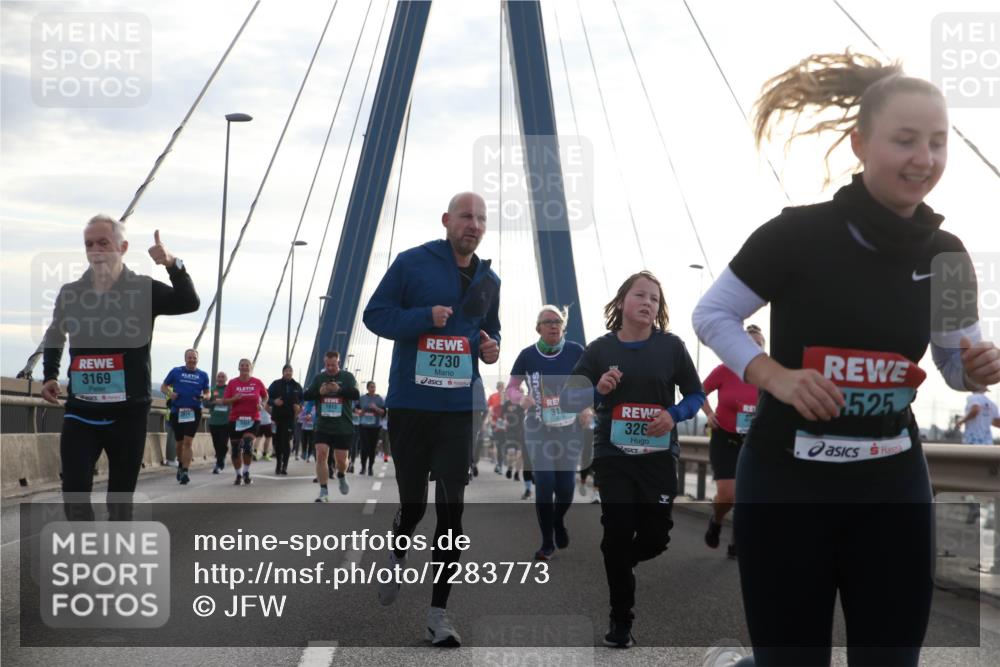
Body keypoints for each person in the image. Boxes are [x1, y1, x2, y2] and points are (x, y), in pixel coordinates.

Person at [692, 52, 1000, 667]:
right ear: (861, 144)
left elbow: (952, 364)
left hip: (891, 483)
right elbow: (713, 315)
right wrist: (773, 375)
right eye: (906, 141)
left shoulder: (948, 254)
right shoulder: (797, 234)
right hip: (787, 479)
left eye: (938, 143)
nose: (925, 159)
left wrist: (976, 368)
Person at [363, 191, 500, 647]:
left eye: (481, 218)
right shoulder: (412, 262)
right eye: (466, 216)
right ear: (447, 220)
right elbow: (375, 315)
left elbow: (490, 329)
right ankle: (398, 546)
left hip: (458, 408)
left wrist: (490, 346)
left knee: (451, 512)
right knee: (416, 504)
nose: (474, 224)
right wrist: (425, 316)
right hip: (411, 404)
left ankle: (438, 614)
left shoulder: (489, 278)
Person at [564, 271, 703, 648]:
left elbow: (696, 395)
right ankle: (621, 618)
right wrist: (597, 389)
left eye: (655, 299)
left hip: (658, 456)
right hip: (614, 455)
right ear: (622, 301)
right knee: (619, 528)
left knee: (655, 538)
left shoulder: (672, 347)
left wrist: (672, 415)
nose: (648, 303)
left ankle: (617, 559)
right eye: (640, 295)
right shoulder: (599, 349)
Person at [41, 217, 199, 520]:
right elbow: (55, 334)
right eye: (89, 244)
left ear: (123, 248)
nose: (96, 250)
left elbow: (188, 301)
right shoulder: (71, 292)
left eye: (104, 243)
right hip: (81, 411)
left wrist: (172, 263)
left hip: (128, 415)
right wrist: (50, 374)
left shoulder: (143, 289)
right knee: (74, 494)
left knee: (119, 504)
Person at [505, 305, 586, 560]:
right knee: (545, 483)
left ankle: (558, 520)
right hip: (537, 426)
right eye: (547, 321)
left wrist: (587, 408)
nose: (553, 325)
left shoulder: (576, 351)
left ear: (563, 326)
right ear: (538, 328)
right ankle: (547, 542)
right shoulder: (527, 355)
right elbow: (512, 388)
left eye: (557, 321)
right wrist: (521, 400)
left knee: (565, 489)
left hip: (569, 427)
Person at [700, 324, 765, 558]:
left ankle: (737, 541)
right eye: (750, 342)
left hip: (754, 440)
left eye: (759, 344)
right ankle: (716, 521)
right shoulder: (725, 370)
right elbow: (698, 392)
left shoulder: (767, 376)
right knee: (728, 494)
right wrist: (708, 413)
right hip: (724, 437)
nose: (754, 347)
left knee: (746, 495)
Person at [303, 351, 359, 501]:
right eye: (327, 365)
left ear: (338, 363)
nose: (330, 368)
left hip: (342, 425)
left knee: (341, 460)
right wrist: (318, 392)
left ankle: (341, 475)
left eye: (333, 365)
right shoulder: (319, 378)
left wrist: (339, 390)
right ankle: (323, 491)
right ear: (324, 363)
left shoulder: (347, 377)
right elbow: (306, 395)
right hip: (323, 425)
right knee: (321, 455)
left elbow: (356, 394)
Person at [160, 349, 210, 485]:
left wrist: (204, 396)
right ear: (185, 358)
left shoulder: (203, 375)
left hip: (194, 411)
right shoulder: (176, 371)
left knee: (188, 442)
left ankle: (185, 471)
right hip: (177, 411)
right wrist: (171, 394)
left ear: (197, 359)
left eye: (194, 358)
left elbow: (208, 393)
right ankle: (181, 465)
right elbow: (163, 387)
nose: (192, 360)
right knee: (179, 443)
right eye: (189, 357)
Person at [222, 358, 268, 486]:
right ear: (239, 367)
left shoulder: (257, 382)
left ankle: (246, 472)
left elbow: (265, 396)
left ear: (251, 368)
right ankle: (238, 475)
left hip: (253, 418)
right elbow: (225, 401)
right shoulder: (232, 383)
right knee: (236, 449)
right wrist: (234, 398)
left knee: (248, 445)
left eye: (247, 365)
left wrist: (262, 404)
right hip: (235, 419)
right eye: (242, 365)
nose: (244, 367)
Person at [268, 364, 304, 475]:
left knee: (286, 442)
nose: (288, 372)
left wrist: (299, 406)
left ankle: (285, 466)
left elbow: (302, 400)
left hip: (290, 418)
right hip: (277, 418)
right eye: (286, 371)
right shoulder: (275, 384)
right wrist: (274, 402)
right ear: (282, 372)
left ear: (292, 372)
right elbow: (267, 398)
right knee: (277, 442)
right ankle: (278, 463)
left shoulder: (297, 386)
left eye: (290, 371)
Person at [358, 381, 387, 475]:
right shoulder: (362, 398)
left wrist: (376, 408)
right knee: (364, 447)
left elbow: (383, 412)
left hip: (375, 427)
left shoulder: (379, 399)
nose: (373, 388)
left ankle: (370, 467)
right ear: (367, 388)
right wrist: (360, 412)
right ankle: (363, 467)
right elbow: (356, 408)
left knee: (372, 448)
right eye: (371, 387)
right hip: (363, 426)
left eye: (374, 387)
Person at [204, 371, 231, 473]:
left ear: (226, 379)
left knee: (223, 442)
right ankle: (221, 458)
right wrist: (214, 402)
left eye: (222, 376)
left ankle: (219, 464)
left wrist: (224, 401)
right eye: (219, 376)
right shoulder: (212, 390)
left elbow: (234, 401)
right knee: (216, 443)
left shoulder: (229, 389)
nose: (220, 378)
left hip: (226, 420)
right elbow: (205, 404)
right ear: (216, 379)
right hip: (214, 421)